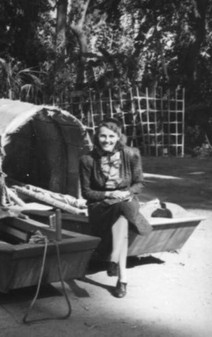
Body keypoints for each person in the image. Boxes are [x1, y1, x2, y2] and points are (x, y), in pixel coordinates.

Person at [79, 118, 152, 298]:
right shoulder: (87, 159)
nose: (107, 140)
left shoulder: (131, 154)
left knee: (122, 209)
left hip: (125, 200)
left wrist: (126, 193)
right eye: (103, 136)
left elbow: (139, 184)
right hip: (100, 206)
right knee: (123, 214)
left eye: (111, 136)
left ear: (118, 136)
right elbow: (87, 193)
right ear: (97, 137)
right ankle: (118, 268)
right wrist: (109, 194)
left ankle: (121, 275)